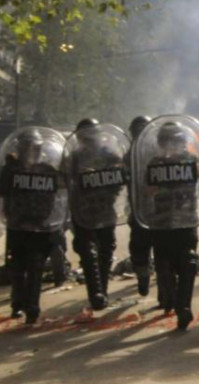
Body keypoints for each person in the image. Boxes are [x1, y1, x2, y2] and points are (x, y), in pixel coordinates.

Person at [138, 120, 199, 330]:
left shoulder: (191, 160)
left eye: (176, 142)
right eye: (167, 142)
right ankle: (171, 300)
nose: (172, 146)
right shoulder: (155, 163)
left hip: (186, 222)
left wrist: (188, 167)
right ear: (161, 143)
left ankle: (183, 307)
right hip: (162, 223)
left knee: (188, 264)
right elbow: (146, 191)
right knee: (164, 266)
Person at [1, 128, 67, 324]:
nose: (31, 151)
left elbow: (63, 186)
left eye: (34, 148)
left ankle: (32, 308)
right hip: (18, 225)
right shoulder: (11, 169)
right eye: (27, 147)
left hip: (41, 225)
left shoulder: (47, 170)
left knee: (36, 267)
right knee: (18, 267)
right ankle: (17, 305)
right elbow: (3, 191)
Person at [69, 118, 124, 311]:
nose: (88, 140)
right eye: (84, 136)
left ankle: (103, 290)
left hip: (104, 209)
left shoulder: (109, 155)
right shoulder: (74, 156)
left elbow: (121, 175)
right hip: (82, 210)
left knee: (106, 250)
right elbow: (65, 180)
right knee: (86, 251)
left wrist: (105, 174)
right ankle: (96, 293)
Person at [126, 115, 155, 299]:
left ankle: (145, 274)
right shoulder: (154, 152)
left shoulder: (130, 154)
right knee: (141, 246)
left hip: (150, 209)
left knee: (140, 246)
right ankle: (145, 275)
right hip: (145, 209)